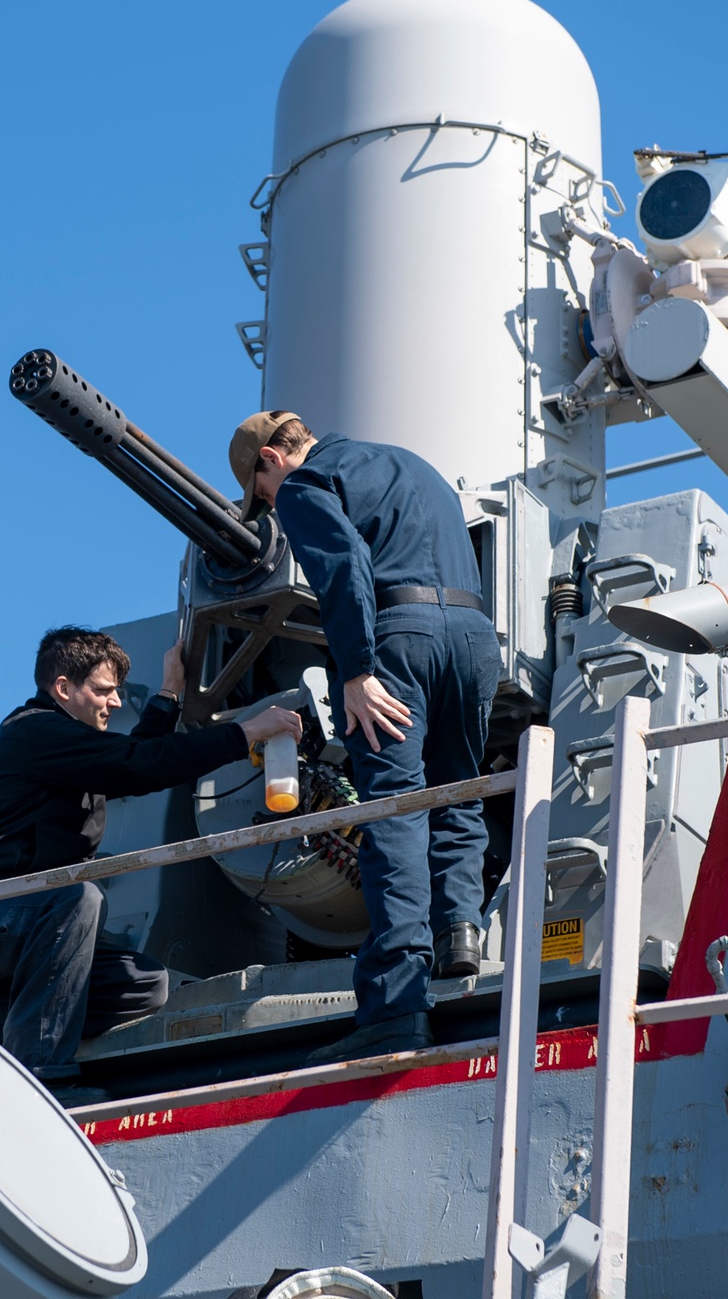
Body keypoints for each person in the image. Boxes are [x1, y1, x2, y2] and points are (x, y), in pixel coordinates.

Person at [229, 412, 501, 1064]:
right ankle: (459, 932)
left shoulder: (304, 485)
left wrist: (355, 671)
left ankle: (395, 1001)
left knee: (395, 811)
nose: (271, 506)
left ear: (272, 459)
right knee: (457, 795)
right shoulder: (414, 465)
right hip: (473, 638)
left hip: (401, 639)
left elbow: (344, 563)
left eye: (260, 493)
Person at [0, 626, 300, 1106]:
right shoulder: (34, 731)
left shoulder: (70, 750)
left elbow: (131, 760)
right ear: (64, 689)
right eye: (103, 691)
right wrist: (245, 733)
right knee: (76, 897)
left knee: (144, 985)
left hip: (24, 929)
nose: (113, 703)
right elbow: (137, 763)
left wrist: (169, 692)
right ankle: (43, 1074)